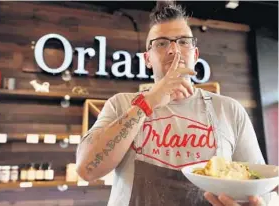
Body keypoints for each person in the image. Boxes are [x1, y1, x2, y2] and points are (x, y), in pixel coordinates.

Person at [76, 1, 275, 206]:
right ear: (147, 59)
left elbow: (261, 188)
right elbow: (87, 170)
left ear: (195, 54)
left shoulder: (229, 110)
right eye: (161, 43)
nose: (173, 50)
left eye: (183, 41)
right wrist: (148, 102)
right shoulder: (121, 104)